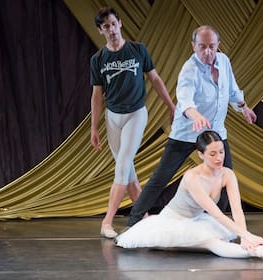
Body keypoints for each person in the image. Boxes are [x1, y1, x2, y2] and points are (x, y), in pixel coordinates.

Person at [127, 25, 257, 227]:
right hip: (187, 133)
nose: (207, 52)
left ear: (218, 45)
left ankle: (215, 223)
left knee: (223, 176)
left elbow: (232, 89)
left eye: (212, 46)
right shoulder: (190, 69)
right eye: (202, 46)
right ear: (193, 46)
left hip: (215, 135)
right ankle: (134, 221)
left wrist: (244, 107)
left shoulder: (224, 62)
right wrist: (196, 116)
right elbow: (185, 100)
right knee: (160, 178)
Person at [117, 131, 263, 261]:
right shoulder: (192, 177)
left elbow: (237, 210)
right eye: (212, 154)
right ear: (201, 155)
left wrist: (246, 235)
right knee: (210, 243)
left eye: (221, 152)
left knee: (218, 239)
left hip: (197, 220)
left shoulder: (227, 174)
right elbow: (216, 214)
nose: (219, 158)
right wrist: (249, 238)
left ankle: (251, 248)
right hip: (173, 222)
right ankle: (260, 252)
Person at [90, 7, 175, 238]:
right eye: (105, 26)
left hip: (136, 114)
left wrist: (171, 105)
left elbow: (155, 79)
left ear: (120, 23)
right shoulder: (98, 60)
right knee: (128, 173)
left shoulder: (138, 50)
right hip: (113, 118)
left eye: (113, 24)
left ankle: (107, 222)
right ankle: (144, 218)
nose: (111, 29)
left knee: (123, 165)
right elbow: (97, 95)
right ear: (100, 31)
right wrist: (94, 127)